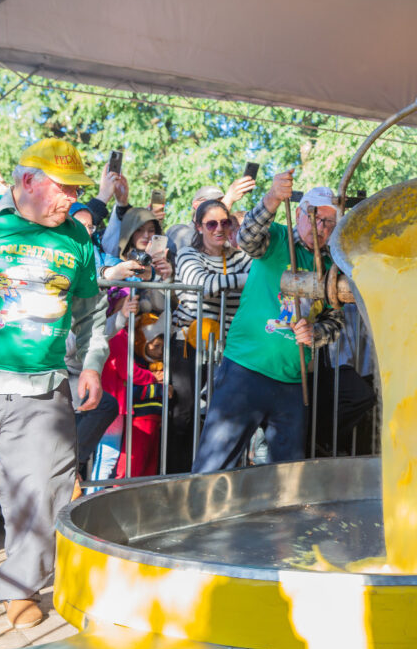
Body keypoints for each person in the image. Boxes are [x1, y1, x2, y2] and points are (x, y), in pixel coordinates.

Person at [0, 138, 108, 630]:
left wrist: (91, 364)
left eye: (76, 190)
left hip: (43, 390)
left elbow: (92, 313)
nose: (71, 199)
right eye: (63, 189)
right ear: (27, 180)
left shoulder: (76, 238)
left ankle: (20, 588)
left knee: (43, 492)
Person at [192, 175, 345, 472]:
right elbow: (247, 236)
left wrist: (315, 333)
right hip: (244, 371)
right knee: (213, 467)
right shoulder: (275, 236)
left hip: (292, 381)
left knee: (287, 475)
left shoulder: (331, 268)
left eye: (328, 222)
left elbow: (335, 322)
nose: (321, 228)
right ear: (300, 214)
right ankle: (203, 513)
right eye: (315, 217)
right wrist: (273, 197)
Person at [167, 199, 251, 472]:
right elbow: (203, 284)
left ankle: (214, 476)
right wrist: (242, 280)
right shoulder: (188, 254)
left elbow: (257, 277)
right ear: (198, 227)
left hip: (227, 349)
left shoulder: (241, 257)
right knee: (184, 414)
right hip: (188, 346)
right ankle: (176, 476)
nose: (219, 229)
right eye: (211, 223)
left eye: (224, 223)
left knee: (225, 416)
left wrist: (241, 278)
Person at [101, 310, 168, 478]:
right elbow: (133, 385)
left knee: (149, 467)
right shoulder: (134, 358)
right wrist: (160, 388)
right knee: (128, 465)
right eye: (156, 346)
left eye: (162, 347)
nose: (159, 351)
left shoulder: (157, 365)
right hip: (138, 419)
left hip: (154, 420)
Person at [165, 177, 257, 252]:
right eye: (212, 203)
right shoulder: (178, 231)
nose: (219, 209)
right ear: (196, 205)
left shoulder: (224, 240)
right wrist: (228, 201)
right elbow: (195, 246)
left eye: (220, 204)